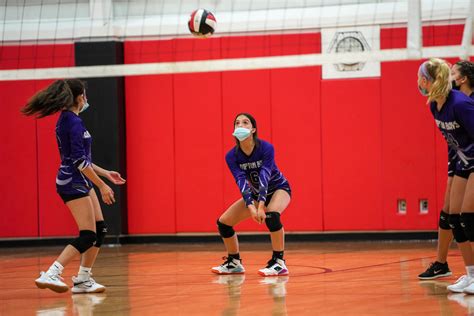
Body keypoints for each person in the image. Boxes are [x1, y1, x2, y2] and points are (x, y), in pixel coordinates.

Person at [21, 79, 126, 293]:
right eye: (85, 94)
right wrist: (102, 186)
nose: (86, 98)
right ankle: (52, 273)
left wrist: (106, 173)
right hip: (72, 181)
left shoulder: (70, 119)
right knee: (88, 235)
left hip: (80, 179)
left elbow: (82, 159)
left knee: (100, 230)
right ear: (80, 97)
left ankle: (83, 279)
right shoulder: (72, 122)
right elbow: (79, 163)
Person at [418, 58, 474, 294]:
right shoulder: (435, 105)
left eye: (421, 77)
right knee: (453, 217)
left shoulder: (461, 104)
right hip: (463, 163)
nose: (418, 82)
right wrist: (455, 168)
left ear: (429, 80)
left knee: (467, 217)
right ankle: (471, 274)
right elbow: (453, 143)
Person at [211, 113, 291, 276]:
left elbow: (265, 175)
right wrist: (251, 207)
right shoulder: (231, 156)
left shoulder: (266, 148)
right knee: (224, 223)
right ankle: (234, 262)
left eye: (245, 122)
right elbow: (240, 181)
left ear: (253, 129)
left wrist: (260, 206)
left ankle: (279, 262)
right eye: (237, 123)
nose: (240, 125)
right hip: (255, 194)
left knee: (272, 215)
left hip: (278, 189)